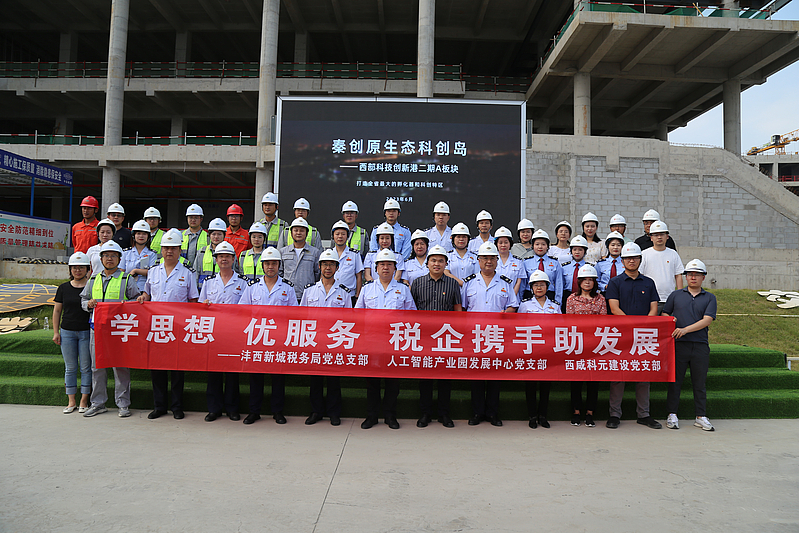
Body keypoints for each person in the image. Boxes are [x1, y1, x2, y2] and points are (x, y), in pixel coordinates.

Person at [137, 229, 199, 420]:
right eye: (166, 248)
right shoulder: (153, 272)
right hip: (157, 328)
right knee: (157, 369)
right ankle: (160, 406)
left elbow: (193, 301)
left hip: (178, 328)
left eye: (173, 248)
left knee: (177, 369)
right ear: (161, 250)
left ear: (180, 250)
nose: (169, 251)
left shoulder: (187, 273)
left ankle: (177, 406)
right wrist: (143, 297)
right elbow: (148, 293)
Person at [355, 248, 417, 430]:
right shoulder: (367, 289)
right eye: (382, 264)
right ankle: (372, 416)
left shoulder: (403, 289)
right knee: (372, 382)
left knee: (392, 382)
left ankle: (390, 416)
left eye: (389, 264)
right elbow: (358, 315)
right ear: (376, 268)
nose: (385, 268)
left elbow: (411, 315)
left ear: (394, 268)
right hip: (372, 342)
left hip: (394, 342)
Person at [604, 242, 661, 430]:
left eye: (635, 258)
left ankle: (644, 414)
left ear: (640, 260)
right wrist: (632, 326)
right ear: (622, 261)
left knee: (643, 375)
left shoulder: (649, 282)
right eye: (628, 258)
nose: (631, 261)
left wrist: (643, 327)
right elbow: (614, 308)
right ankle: (614, 414)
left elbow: (654, 309)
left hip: (644, 336)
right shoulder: (615, 282)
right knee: (618, 376)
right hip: (621, 335)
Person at [238, 247, 297, 425]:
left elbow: (294, 315)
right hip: (257, 338)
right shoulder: (252, 287)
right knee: (255, 377)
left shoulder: (287, 288)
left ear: (279, 265)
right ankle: (254, 411)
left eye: (274, 263)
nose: (270, 267)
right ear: (262, 265)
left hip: (279, 338)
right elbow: (242, 311)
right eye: (267, 263)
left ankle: (277, 411)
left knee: (278, 377)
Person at [81, 241, 140, 418]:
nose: (109, 259)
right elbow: (83, 299)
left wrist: (126, 304)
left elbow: (136, 301)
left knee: (120, 367)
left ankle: (123, 404)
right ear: (101, 259)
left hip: (119, 330)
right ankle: (98, 403)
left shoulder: (126, 279)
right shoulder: (93, 279)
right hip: (97, 329)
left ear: (119, 259)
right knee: (97, 367)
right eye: (106, 255)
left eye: (113, 256)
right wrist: (88, 304)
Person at [462, 242, 518, 427]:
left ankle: (493, 413)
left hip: (497, 335)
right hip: (475, 336)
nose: (488, 261)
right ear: (478, 260)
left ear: (497, 261)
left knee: (495, 376)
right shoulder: (469, 282)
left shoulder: (505, 283)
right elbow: (463, 308)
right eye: (485, 258)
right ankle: (477, 412)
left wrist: (505, 314)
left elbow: (513, 306)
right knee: (476, 376)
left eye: (492, 258)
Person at [410, 245, 462, 428]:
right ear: (427, 263)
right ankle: (425, 413)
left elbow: (457, 309)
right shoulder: (417, 283)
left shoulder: (453, 284)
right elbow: (411, 310)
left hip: (445, 337)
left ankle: (444, 414)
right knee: (425, 378)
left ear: (446, 263)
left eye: (441, 261)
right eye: (433, 260)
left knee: (444, 378)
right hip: (423, 337)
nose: (437, 264)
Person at [663, 259, 717, 432]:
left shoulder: (710, 297)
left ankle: (701, 416)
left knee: (699, 383)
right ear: (686, 277)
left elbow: (707, 320)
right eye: (690, 274)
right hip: (678, 345)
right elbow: (665, 313)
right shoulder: (676, 295)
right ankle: (672, 414)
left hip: (700, 345)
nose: (693, 277)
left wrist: (685, 329)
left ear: (703, 277)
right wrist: (671, 321)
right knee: (675, 382)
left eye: (697, 275)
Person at [300, 249, 353, 426]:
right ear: (319, 267)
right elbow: (302, 317)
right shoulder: (309, 291)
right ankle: (316, 411)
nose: (328, 268)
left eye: (331, 264)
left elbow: (349, 319)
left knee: (333, 379)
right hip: (314, 340)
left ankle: (334, 412)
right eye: (324, 264)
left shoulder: (344, 292)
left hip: (335, 341)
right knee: (315, 379)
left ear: (337, 268)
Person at [199, 241, 248, 422]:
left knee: (232, 373)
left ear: (234, 259)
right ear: (216, 259)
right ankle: (214, 408)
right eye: (220, 256)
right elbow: (201, 307)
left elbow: (246, 309)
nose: (224, 259)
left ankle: (232, 408)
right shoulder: (209, 283)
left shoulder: (243, 283)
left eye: (227, 256)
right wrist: (204, 305)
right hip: (213, 333)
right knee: (213, 372)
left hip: (234, 334)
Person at [565, 265, 606, 428]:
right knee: (576, 380)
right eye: (584, 280)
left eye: (590, 280)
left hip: (595, 344)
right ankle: (576, 412)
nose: (587, 283)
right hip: (577, 344)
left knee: (593, 381)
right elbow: (569, 321)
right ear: (579, 282)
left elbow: (603, 320)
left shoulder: (600, 299)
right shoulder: (571, 299)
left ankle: (590, 413)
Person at [518, 270, 559, 429]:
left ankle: (543, 416)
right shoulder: (525, 305)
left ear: (547, 286)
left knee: (545, 385)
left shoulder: (555, 306)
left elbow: (560, 328)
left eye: (542, 285)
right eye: (536, 285)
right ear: (531, 288)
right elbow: (519, 327)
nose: (539, 288)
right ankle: (532, 416)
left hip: (548, 349)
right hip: (531, 349)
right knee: (530, 384)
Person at [53, 252, 92, 414]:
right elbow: (57, 311)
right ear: (70, 269)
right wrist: (56, 332)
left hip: (86, 332)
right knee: (70, 368)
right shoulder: (63, 288)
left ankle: (84, 400)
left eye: (81, 267)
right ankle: (71, 401)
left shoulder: (91, 286)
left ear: (87, 269)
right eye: (74, 267)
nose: (78, 270)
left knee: (86, 367)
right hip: (67, 332)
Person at [640, 220, 684, 314]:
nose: (659, 237)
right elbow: (640, 276)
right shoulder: (644, 254)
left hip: (669, 299)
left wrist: (680, 296)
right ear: (651, 238)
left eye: (662, 234)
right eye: (656, 235)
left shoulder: (673, 254)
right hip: (650, 299)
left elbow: (678, 275)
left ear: (667, 236)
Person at [279, 217, 321, 302]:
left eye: (302, 230)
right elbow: (280, 273)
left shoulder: (315, 252)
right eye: (296, 230)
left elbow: (318, 274)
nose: (298, 233)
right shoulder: (283, 252)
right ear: (291, 233)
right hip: (287, 295)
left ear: (307, 233)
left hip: (308, 296)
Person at [521, 229, 563, 303]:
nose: (540, 247)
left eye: (543, 244)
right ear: (533, 246)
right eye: (537, 244)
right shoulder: (526, 262)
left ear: (547, 246)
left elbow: (559, 284)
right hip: (530, 295)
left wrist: (558, 302)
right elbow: (522, 284)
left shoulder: (555, 262)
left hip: (549, 295)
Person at [330, 220, 363, 304]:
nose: (340, 236)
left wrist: (358, 296)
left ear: (347, 236)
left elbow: (359, 276)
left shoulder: (354, 254)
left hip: (350, 296)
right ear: (333, 236)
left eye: (343, 234)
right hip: (331, 294)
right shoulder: (329, 254)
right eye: (337, 234)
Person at [123, 220, 158, 293]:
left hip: (145, 290)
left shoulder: (152, 254)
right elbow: (121, 271)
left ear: (148, 236)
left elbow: (152, 272)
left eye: (144, 234)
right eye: (138, 233)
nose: (141, 236)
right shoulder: (126, 253)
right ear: (134, 235)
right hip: (127, 289)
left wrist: (135, 271)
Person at [194, 218, 231, 288]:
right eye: (213, 234)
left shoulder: (229, 252)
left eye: (219, 234)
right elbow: (195, 273)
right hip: (203, 290)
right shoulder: (202, 252)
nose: (216, 237)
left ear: (224, 235)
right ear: (209, 235)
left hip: (222, 289)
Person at [560, 235, 590, 313]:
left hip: (584, 295)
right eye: (574, 249)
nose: (577, 252)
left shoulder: (589, 267)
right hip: (567, 295)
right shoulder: (564, 267)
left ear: (585, 251)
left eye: (580, 249)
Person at [444, 222, 478, 287]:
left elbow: (477, 274)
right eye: (458, 237)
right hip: (452, 289)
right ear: (453, 239)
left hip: (471, 289)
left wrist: (467, 287)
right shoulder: (447, 256)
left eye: (464, 237)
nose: (461, 239)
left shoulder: (475, 257)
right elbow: (446, 273)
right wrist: (463, 284)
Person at [494, 226, 524, 295]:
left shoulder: (518, 261)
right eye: (500, 243)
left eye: (506, 242)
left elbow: (519, 282)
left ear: (510, 243)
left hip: (514, 297)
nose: (503, 245)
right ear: (496, 244)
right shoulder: (491, 261)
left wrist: (511, 297)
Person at [181, 204, 208, 268]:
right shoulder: (180, 235)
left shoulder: (208, 237)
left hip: (200, 270)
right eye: (191, 217)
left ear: (201, 219)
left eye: (196, 217)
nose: (193, 220)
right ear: (187, 218)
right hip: (182, 269)